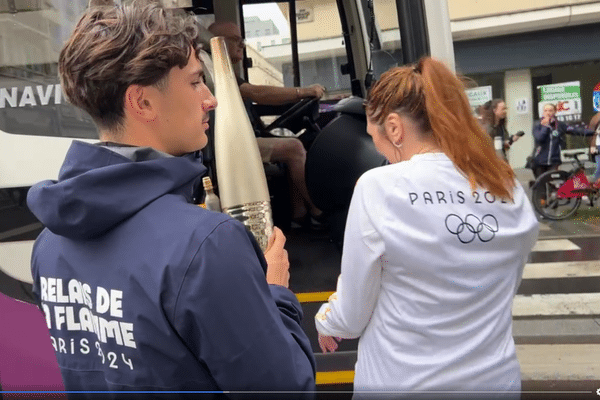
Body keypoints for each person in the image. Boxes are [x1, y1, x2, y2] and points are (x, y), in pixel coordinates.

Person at [26, 3, 316, 396]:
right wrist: (276, 293)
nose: (210, 99)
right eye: (196, 82)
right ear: (142, 102)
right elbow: (286, 389)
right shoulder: (207, 245)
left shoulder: (49, 247)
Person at [314, 58, 539, 398]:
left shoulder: (380, 187)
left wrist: (326, 321)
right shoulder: (506, 186)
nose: (381, 151)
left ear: (394, 127)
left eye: (376, 136)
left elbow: (353, 313)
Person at [208, 21, 326, 229]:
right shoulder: (218, 70)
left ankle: (298, 215)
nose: (242, 45)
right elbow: (257, 94)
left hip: (245, 138)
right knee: (294, 148)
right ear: (219, 42)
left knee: (293, 146)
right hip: (232, 146)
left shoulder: (228, 71)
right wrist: (303, 92)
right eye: (236, 39)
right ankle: (318, 211)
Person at [531, 103, 567, 179]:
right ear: (543, 112)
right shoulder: (537, 124)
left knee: (553, 182)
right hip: (540, 160)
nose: (548, 113)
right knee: (541, 183)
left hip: (554, 160)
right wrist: (545, 126)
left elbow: (573, 130)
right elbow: (539, 138)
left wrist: (593, 132)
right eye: (545, 110)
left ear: (555, 112)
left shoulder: (559, 124)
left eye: (550, 110)